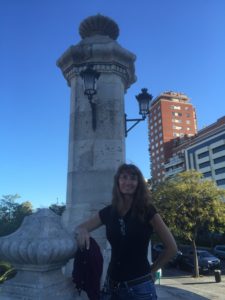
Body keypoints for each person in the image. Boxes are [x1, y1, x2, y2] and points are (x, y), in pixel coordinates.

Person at [75, 163, 177, 300]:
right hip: (111, 287)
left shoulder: (147, 211)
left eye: (133, 178)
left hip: (140, 287)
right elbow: (81, 227)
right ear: (118, 181)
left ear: (138, 183)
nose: (128, 182)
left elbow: (172, 248)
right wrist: (82, 230)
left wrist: (152, 271)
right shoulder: (108, 212)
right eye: (124, 177)